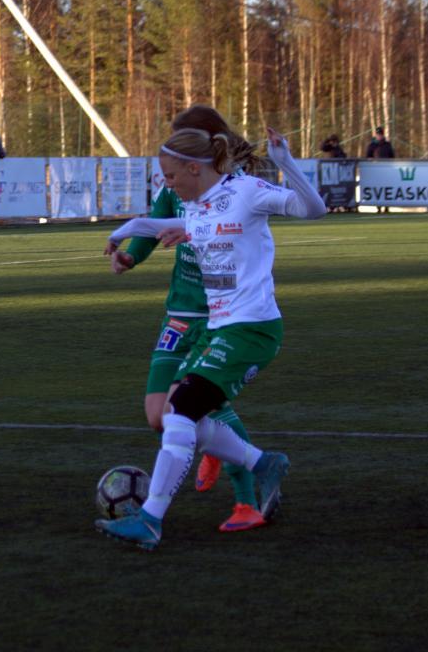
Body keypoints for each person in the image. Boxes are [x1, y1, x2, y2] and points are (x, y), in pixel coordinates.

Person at [95, 113, 326, 551]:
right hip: (219, 328)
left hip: (251, 327)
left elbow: (313, 209)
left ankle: (150, 520)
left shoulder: (247, 191)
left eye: (170, 176)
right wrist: (125, 231)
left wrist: (285, 162)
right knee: (178, 414)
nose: (167, 185)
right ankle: (263, 463)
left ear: (193, 168)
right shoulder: (200, 205)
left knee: (181, 410)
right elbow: (167, 226)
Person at [107, 106, 266, 534]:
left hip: (221, 314)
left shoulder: (235, 188)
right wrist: (130, 256)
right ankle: (209, 441)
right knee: (158, 416)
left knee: (196, 404)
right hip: (180, 311)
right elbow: (153, 224)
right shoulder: (175, 183)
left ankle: (247, 502)